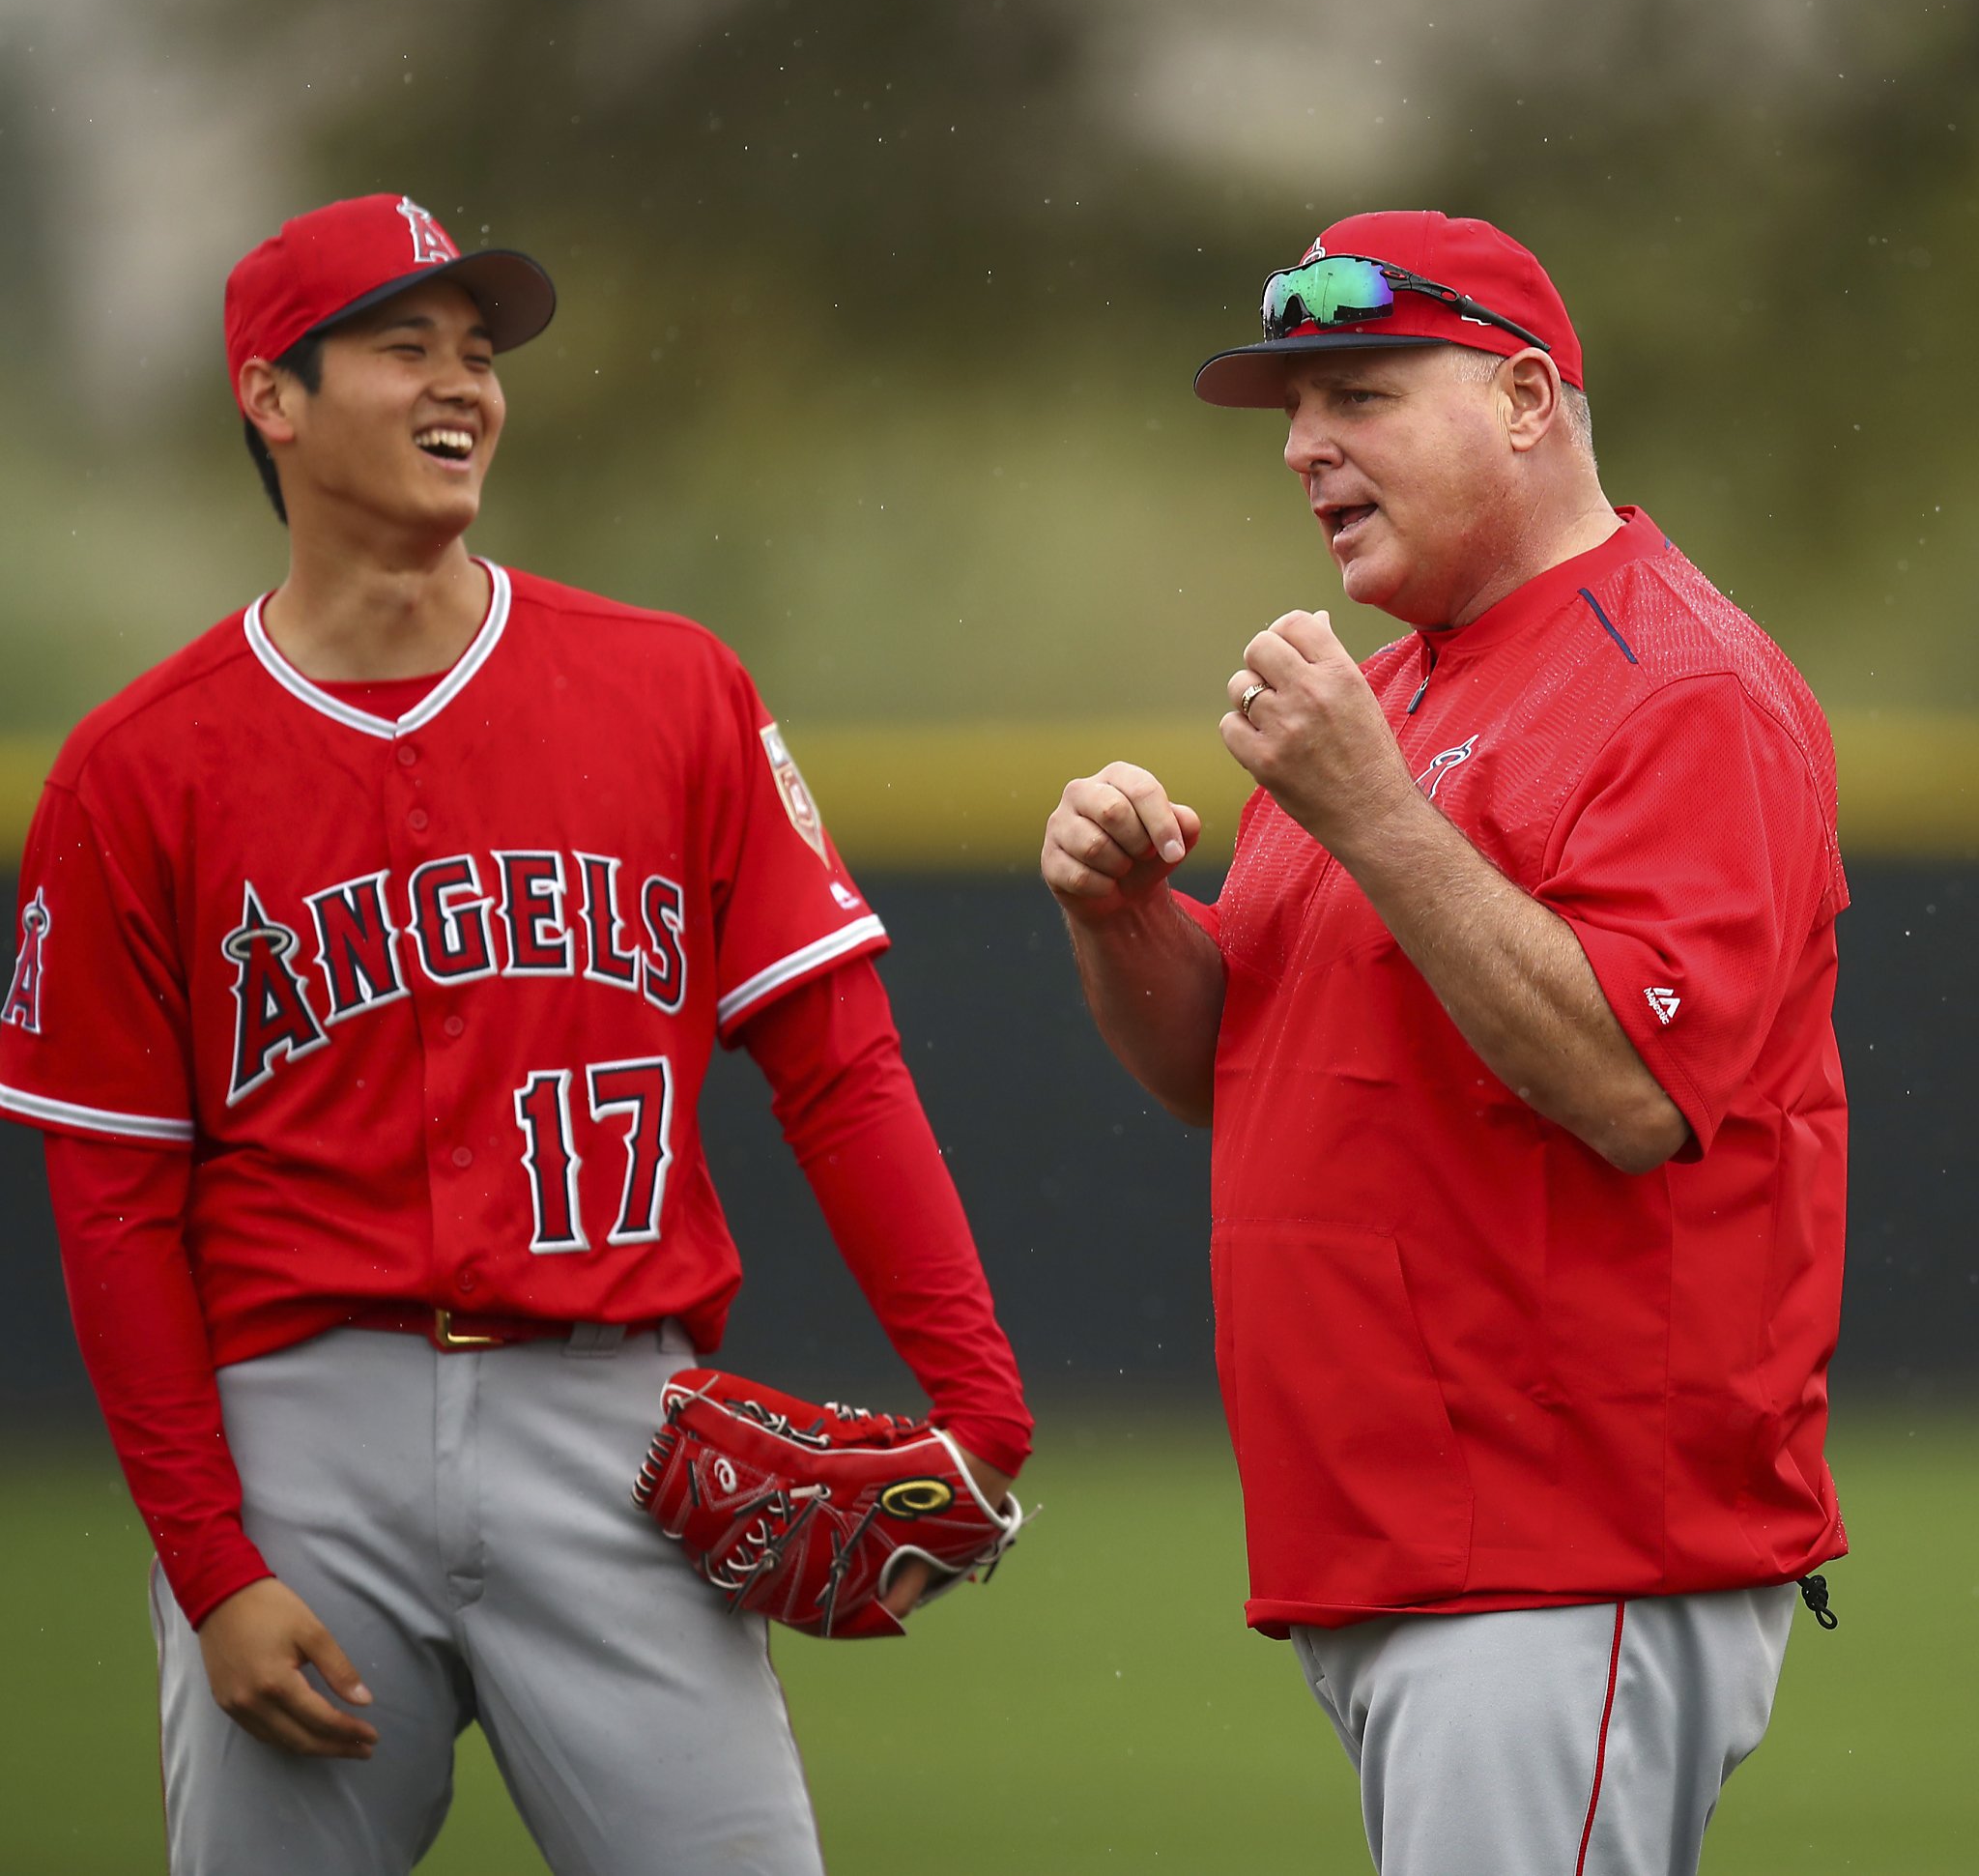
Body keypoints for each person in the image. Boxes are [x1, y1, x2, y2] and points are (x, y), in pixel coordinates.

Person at [0, 191, 1032, 1876]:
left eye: (478, 353)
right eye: (402, 347)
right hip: (298, 1443)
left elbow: (837, 1062)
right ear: (272, 396)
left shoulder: (670, 686)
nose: (459, 384)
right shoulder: (139, 770)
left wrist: (980, 1404)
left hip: (618, 1421)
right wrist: (210, 1564)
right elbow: (111, 1202)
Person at [1040, 209, 1847, 1876]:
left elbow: (1634, 1091)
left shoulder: (1683, 684)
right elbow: (1228, 1073)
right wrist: (1123, 922)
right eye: (1293, 409)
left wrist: (1371, 814)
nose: (1304, 447)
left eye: (1360, 394)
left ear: (1530, 400)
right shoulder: (1400, 692)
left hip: (1572, 1550)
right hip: (1402, 1544)